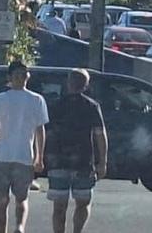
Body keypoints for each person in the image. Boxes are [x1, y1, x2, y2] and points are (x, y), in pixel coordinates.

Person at [0, 61, 49, 233]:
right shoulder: (37, 100)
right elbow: (40, 131)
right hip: (24, 156)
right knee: (22, 198)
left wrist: (0, 141)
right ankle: (19, 227)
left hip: (3, 157)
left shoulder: (0, 99)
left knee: (2, 199)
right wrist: (39, 157)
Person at [45, 68, 108, 233]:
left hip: (58, 161)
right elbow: (100, 135)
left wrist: (42, 157)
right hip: (83, 162)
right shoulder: (92, 106)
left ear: (68, 83)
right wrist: (102, 162)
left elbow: (45, 133)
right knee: (83, 202)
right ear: (86, 85)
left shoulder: (55, 105)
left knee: (59, 206)